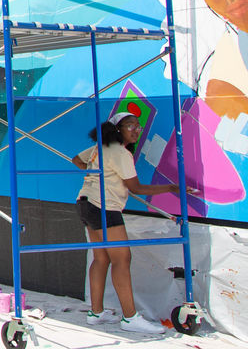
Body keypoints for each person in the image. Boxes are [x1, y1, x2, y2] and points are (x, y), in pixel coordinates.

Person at [72, 111, 191, 334]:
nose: (136, 129)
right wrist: (172, 187)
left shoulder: (101, 147)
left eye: (138, 125)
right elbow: (137, 188)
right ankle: (130, 318)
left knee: (101, 258)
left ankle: (96, 313)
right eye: (130, 126)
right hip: (103, 207)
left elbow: (77, 160)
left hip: (85, 203)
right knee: (121, 258)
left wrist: (97, 173)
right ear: (117, 129)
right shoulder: (120, 152)